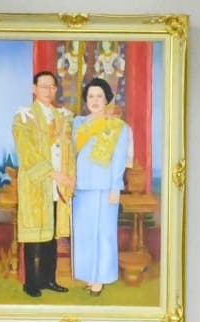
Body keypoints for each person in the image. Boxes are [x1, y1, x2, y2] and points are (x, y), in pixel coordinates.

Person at [12, 71, 74, 298]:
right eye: (44, 86)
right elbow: (26, 152)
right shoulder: (24, 116)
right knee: (34, 237)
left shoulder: (63, 116)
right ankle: (31, 282)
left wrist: (68, 177)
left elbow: (69, 149)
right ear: (34, 89)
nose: (49, 91)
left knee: (52, 236)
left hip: (58, 187)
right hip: (36, 184)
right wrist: (53, 174)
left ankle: (49, 279)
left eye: (52, 87)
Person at [70, 78, 131, 297]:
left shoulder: (118, 127)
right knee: (84, 233)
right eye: (90, 96)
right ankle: (88, 274)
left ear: (107, 99)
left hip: (105, 188)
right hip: (80, 187)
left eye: (99, 96)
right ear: (86, 100)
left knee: (103, 233)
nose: (94, 100)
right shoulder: (77, 123)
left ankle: (101, 278)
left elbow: (119, 160)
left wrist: (116, 187)